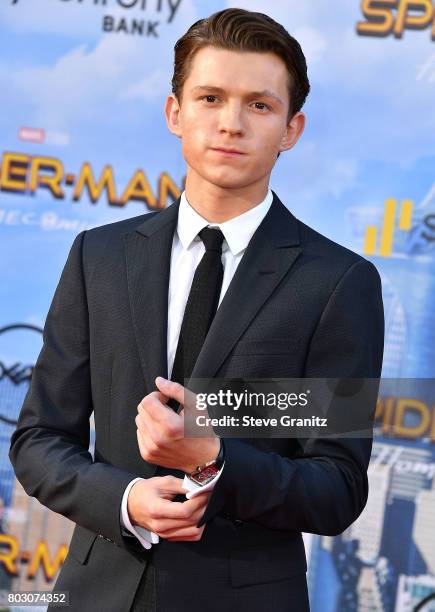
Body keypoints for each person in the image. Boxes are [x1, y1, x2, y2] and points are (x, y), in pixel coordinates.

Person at [9, 8, 384, 612]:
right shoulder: (97, 257)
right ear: (175, 112)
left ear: (292, 128)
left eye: (259, 105)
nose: (230, 123)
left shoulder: (338, 283)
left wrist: (215, 458)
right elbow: (39, 438)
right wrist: (125, 499)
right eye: (210, 97)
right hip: (95, 594)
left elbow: (337, 489)